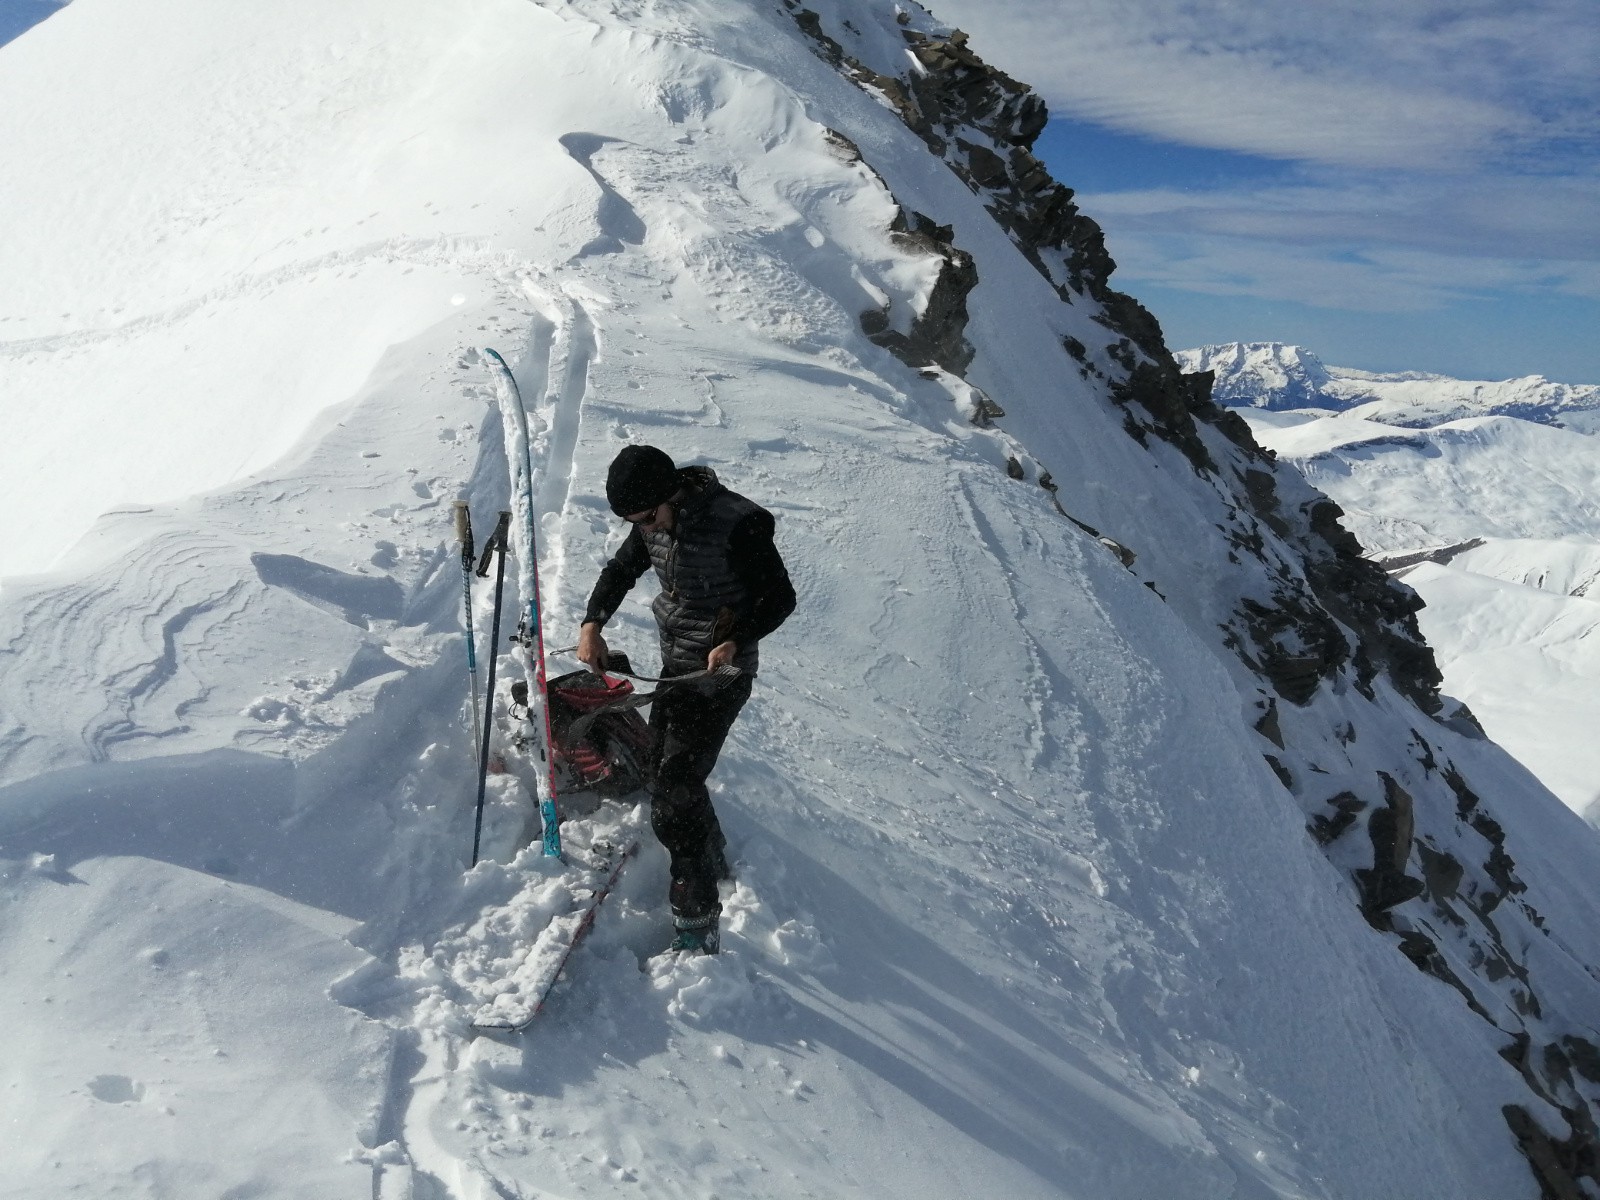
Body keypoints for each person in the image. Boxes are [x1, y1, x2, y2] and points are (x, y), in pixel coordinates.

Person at [577, 445, 795, 955]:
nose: (648, 528)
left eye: (650, 517)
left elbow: (780, 596)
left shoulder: (739, 522)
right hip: (677, 668)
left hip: (723, 675)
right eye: (638, 522)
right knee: (664, 773)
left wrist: (736, 638)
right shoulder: (653, 519)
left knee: (674, 784)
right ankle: (713, 856)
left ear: (668, 493)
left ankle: (697, 917)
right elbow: (621, 570)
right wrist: (593, 624)